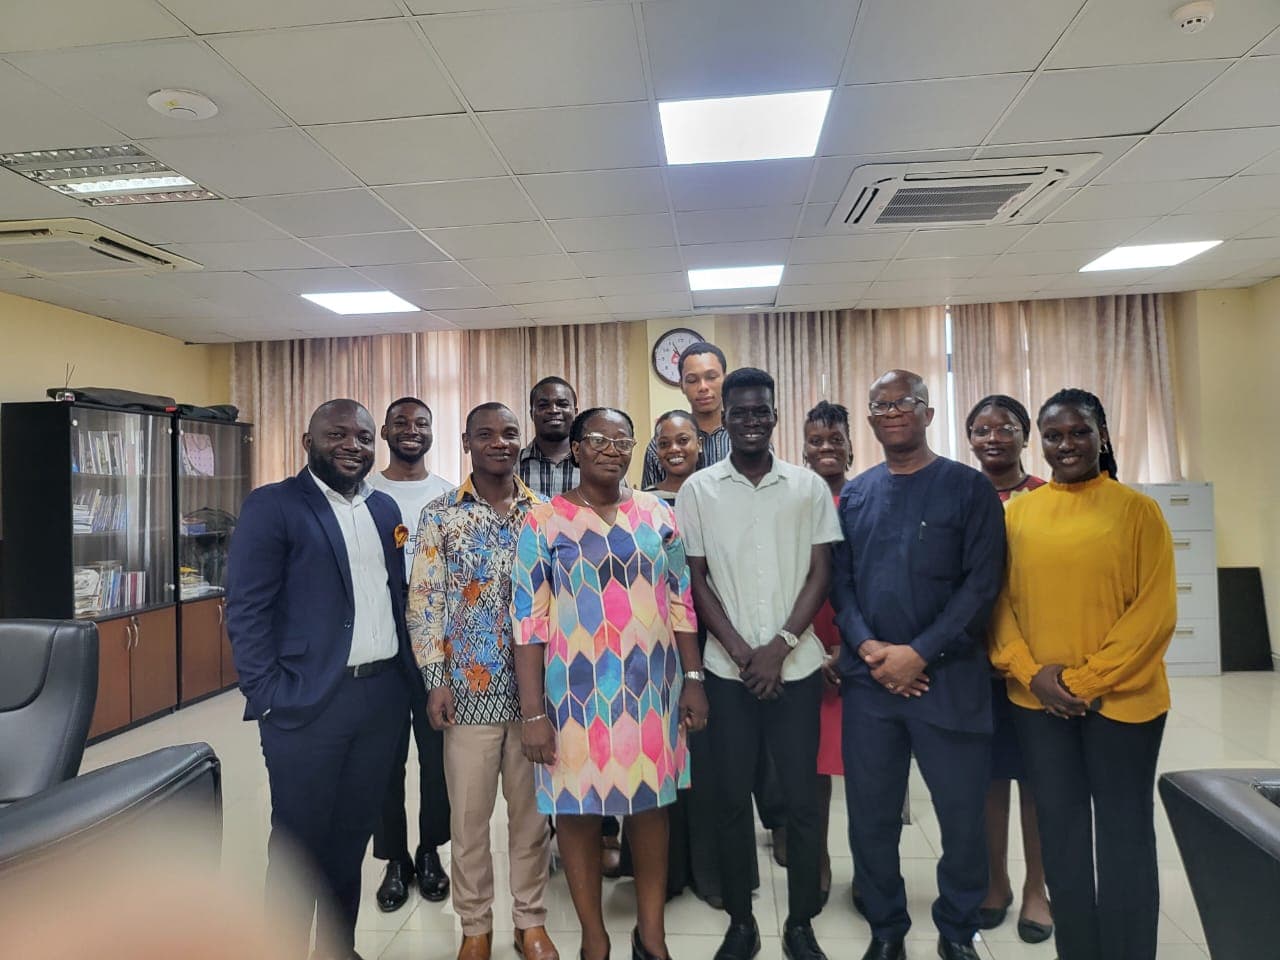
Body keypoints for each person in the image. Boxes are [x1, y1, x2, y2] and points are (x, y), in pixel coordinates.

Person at [226, 399, 421, 960]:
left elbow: (396, 597)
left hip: (380, 699)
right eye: (337, 435)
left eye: (362, 437)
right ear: (306, 440)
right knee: (298, 844)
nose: (353, 446)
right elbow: (246, 610)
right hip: (305, 703)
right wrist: (266, 694)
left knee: (350, 837)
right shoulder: (274, 507)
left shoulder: (384, 510)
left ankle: (339, 948)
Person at [512, 407, 708, 960]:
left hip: (651, 690)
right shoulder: (542, 522)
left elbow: (681, 601)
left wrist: (693, 678)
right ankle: (594, 943)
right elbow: (527, 622)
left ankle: (652, 938)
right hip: (572, 696)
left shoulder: (657, 514)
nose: (610, 448)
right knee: (576, 813)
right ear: (575, 449)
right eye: (597, 438)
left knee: (651, 808)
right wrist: (532, 712)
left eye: (623, 440)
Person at [990, 388, 1176, 960]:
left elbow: (1153, 614)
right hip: (1038, 705)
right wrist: (1028, 672)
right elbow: (998, 607)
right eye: (1054, 435)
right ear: (1039, 442)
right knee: (1063, 838)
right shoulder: (1019, 513)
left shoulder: (1137, 511)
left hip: (1124, 707)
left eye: (1078, 432)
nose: (1066, 444)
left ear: (1102, 435)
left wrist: (1084, 682)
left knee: (1125, 836)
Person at [832, 370, 1006, 960]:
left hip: (947, 679)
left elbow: (982, 584)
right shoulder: (855, 494)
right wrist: (868, 649)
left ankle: (957, 930)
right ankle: (886, 929)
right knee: (871, 818)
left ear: (928, 413)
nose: (891, 412)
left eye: (904, 402)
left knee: (961, 819)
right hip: (870, 683)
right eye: (879, 405)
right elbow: (842, 585)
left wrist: (919, 652)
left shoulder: (968, 489)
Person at [676, 367, 843, 960]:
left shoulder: (806, 487)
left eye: (761, 412)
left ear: (775, 417)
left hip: (794, 672)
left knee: (800, 801)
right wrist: (746, 654)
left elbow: (821, 572)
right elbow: (696, 580)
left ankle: (800, 921)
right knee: (728, 798)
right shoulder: (698, 489)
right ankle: (741, 920)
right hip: (728, 674)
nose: (751, 421)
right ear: (725, 415)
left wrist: (780, 645)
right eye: (739, 412)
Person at [411, 403, 558, 960]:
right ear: (467, 441)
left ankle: (530, 923)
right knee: (469, 821)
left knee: (530, 820)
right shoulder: (440, 514)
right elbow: (424, 599)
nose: (499, 442)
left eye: (509, 433)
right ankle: (475, 927)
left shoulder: (547, 513)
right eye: (486, 434)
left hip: (534, 699)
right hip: (467, 696)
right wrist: (434, 677)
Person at [963, 395, 1052, 944]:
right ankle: (994, 882)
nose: (993, 437)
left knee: (1039, 781)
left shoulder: (1050, 495)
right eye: (981, 429)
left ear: (1026, 436)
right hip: (976, 662)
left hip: (1038, 665)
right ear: (969, 437)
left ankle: (1038, 889)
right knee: (987, 780)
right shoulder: (961, 492)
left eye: (1006, 428)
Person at [366, 397, 453, 912]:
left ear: (433, 432)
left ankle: (428, 851)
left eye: (421, 423)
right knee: (384, 758)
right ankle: (394, 857)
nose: (411, 431)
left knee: (437, 756)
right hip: (381, 644)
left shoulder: (448, 495)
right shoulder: (364, 492)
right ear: (385, 431)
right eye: (401, 422)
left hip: (437, 645)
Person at [800, 400, 854, 909]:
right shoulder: (797, 500)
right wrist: (814, 650)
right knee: (813, 771)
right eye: (816, 440)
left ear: (850, 445)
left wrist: (850, 649)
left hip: (862, 656)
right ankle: (816, 860)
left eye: (835, 438)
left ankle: (872, 867)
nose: (826, 447)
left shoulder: (867, 498)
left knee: (866, 771)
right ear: (803, 449)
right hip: (808, 655)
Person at [641, 342, 732, 488]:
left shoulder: (743, 438)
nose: (703, 387)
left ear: (726, 380)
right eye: (692, 380)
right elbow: (650, 505)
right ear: (682, 385)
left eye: (711, 377)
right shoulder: (659, 446)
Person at [519, 376, 579, 498]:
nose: (553, 410)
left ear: (575, 412)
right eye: (543, 405)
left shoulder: (595, 464)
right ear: (531, 414)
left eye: (562, 404)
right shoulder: (511, 466)